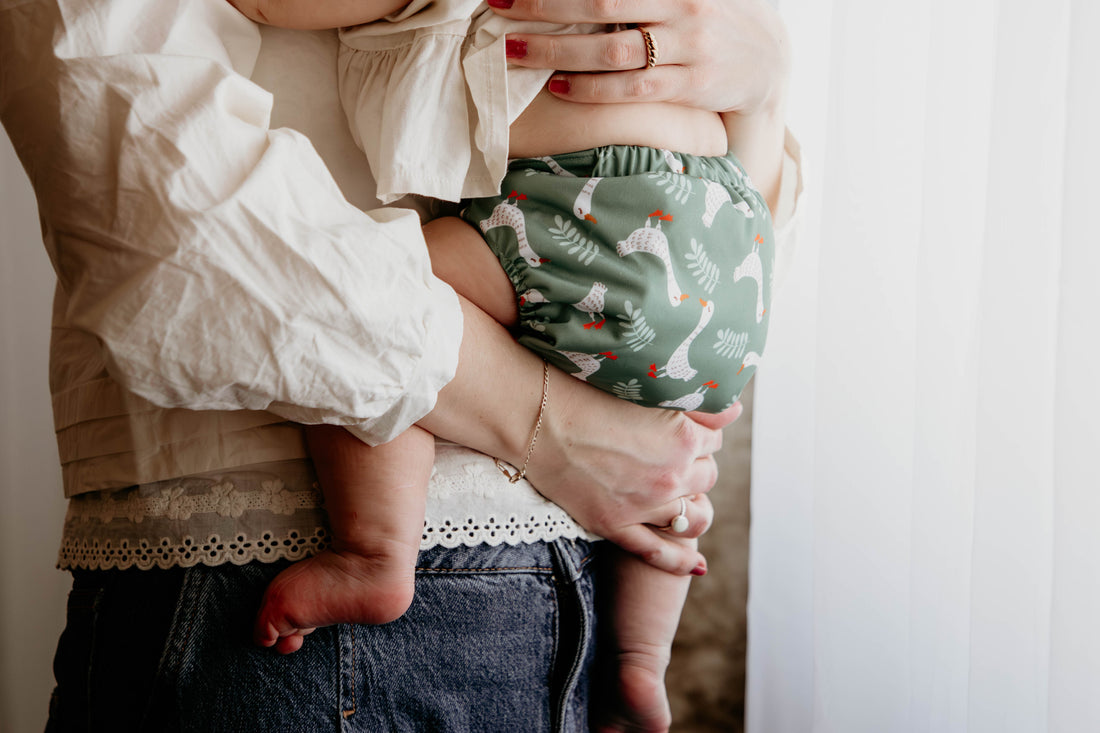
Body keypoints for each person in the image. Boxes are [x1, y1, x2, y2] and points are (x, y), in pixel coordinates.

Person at [0, 0, 798, 730]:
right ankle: (641, 657)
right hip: (714, 261)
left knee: (387, 279)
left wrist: (766, 70)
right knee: (668, 441)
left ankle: (374, 552)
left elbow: (321, 298)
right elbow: (174, 226)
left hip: (522, 519)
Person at [226, 2, 776, 728]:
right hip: (730, 243)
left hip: (586, 206)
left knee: (372, 297)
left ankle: (374, 552)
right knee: (664, 424)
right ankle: (641, 656)